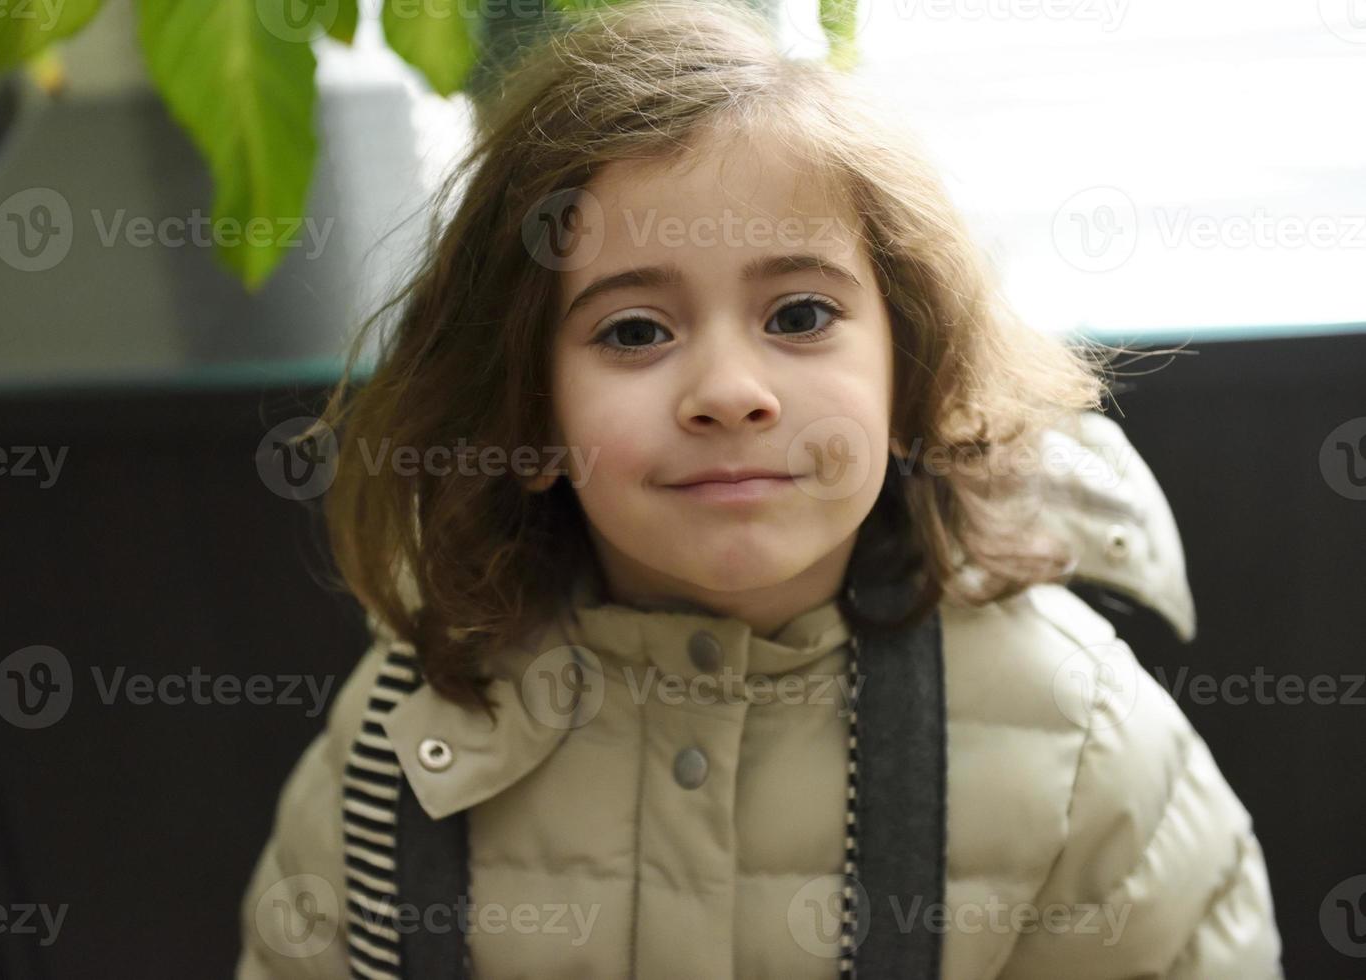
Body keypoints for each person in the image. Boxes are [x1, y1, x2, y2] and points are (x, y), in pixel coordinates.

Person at [236, 1, 1284, 976]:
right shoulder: (407, 727)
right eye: (634, 331)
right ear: (526, 419)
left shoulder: (1079, 741)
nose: (730, 393)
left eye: (797, 316)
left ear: (907, 370)